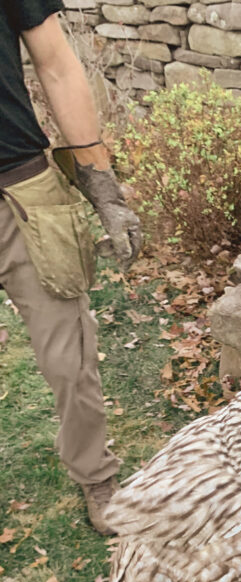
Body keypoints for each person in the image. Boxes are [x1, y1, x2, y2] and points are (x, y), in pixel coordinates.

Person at [0, 1, 141, 534]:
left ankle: (94, 473)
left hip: (22, 189)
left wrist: (100, 183)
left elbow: (56, 62)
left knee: (68, 354)